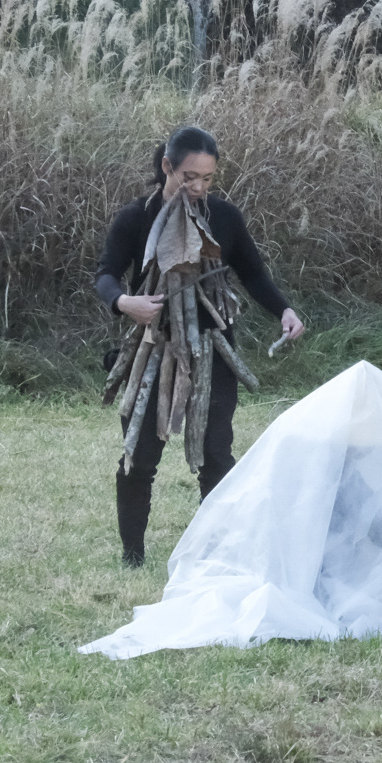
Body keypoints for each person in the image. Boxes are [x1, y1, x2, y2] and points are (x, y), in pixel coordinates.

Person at [95, 126, 306, 567]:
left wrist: (284, 310)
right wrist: (125, 302)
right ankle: (132, 556)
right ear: (167, 166)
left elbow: (253, 273)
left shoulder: (224, 217)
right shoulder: (136, 217)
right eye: (189, 176)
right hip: (153, 346)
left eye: (207, 179)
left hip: (213, 349)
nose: (198, 187)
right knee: (140, 456)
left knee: (216, 454)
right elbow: (106, 274)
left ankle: (215, 554)